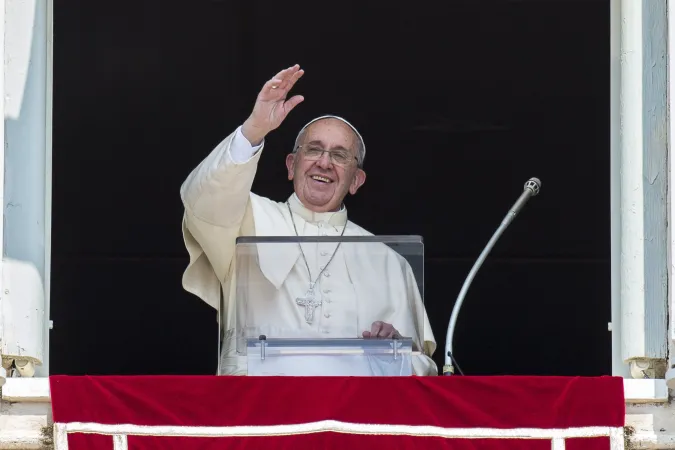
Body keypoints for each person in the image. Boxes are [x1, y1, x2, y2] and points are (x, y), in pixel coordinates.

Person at [180, 64, 437, 376]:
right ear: (291, 165)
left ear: (356, 181)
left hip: (351, 417)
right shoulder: (247, 220)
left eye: (340, 155)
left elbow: (423, 369)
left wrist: (397, 353)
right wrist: (254, 129)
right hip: (261, 413)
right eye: (314, 150)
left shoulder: (389, 262)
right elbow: (201, 201)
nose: (325, 162)